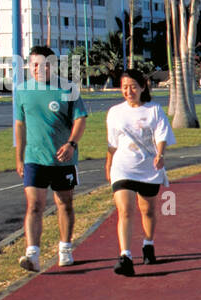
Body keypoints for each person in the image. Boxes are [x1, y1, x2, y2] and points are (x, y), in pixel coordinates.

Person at [14, 45, 87, 271]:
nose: (37, 69)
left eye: (43, 65)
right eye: (34, 65)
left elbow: (80, 119)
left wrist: (71, 144)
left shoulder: (68, 88)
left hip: (62, 159)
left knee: (64, 204)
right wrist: (19, 157)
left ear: (53, 66)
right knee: (34, 206)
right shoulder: (22, 90)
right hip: (34, 158)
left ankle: (65, 249)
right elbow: (20, 125)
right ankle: (32, 255)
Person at [104, 68, 175, 277]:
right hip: (122, 167)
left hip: (148, 168)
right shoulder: (115, 112)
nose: (128, 91)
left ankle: (148, 243)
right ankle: (125, 256)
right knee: (125, 210)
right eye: (124, 87)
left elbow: (162, 135)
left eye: (133, 87)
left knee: (148, 211)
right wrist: (108, 165)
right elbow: (112, 143)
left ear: (143, 87)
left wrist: (160, 154)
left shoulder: (153, 110)